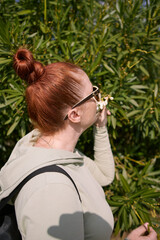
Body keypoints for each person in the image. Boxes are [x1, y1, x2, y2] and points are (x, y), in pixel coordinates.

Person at [0, 48, 157, 240]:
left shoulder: (58, 150)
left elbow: (104, 175)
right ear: (74, 114)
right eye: (93, 93)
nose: (98, 97)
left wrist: (100, 127)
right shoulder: (51, 189)